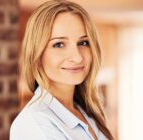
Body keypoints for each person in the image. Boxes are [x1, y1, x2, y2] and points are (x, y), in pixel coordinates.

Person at [10, 0, 114, 140]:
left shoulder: (84, 111)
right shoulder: (35, 124)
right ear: (37, 54)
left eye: (83, 42)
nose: (77, 57)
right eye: (59, 44)